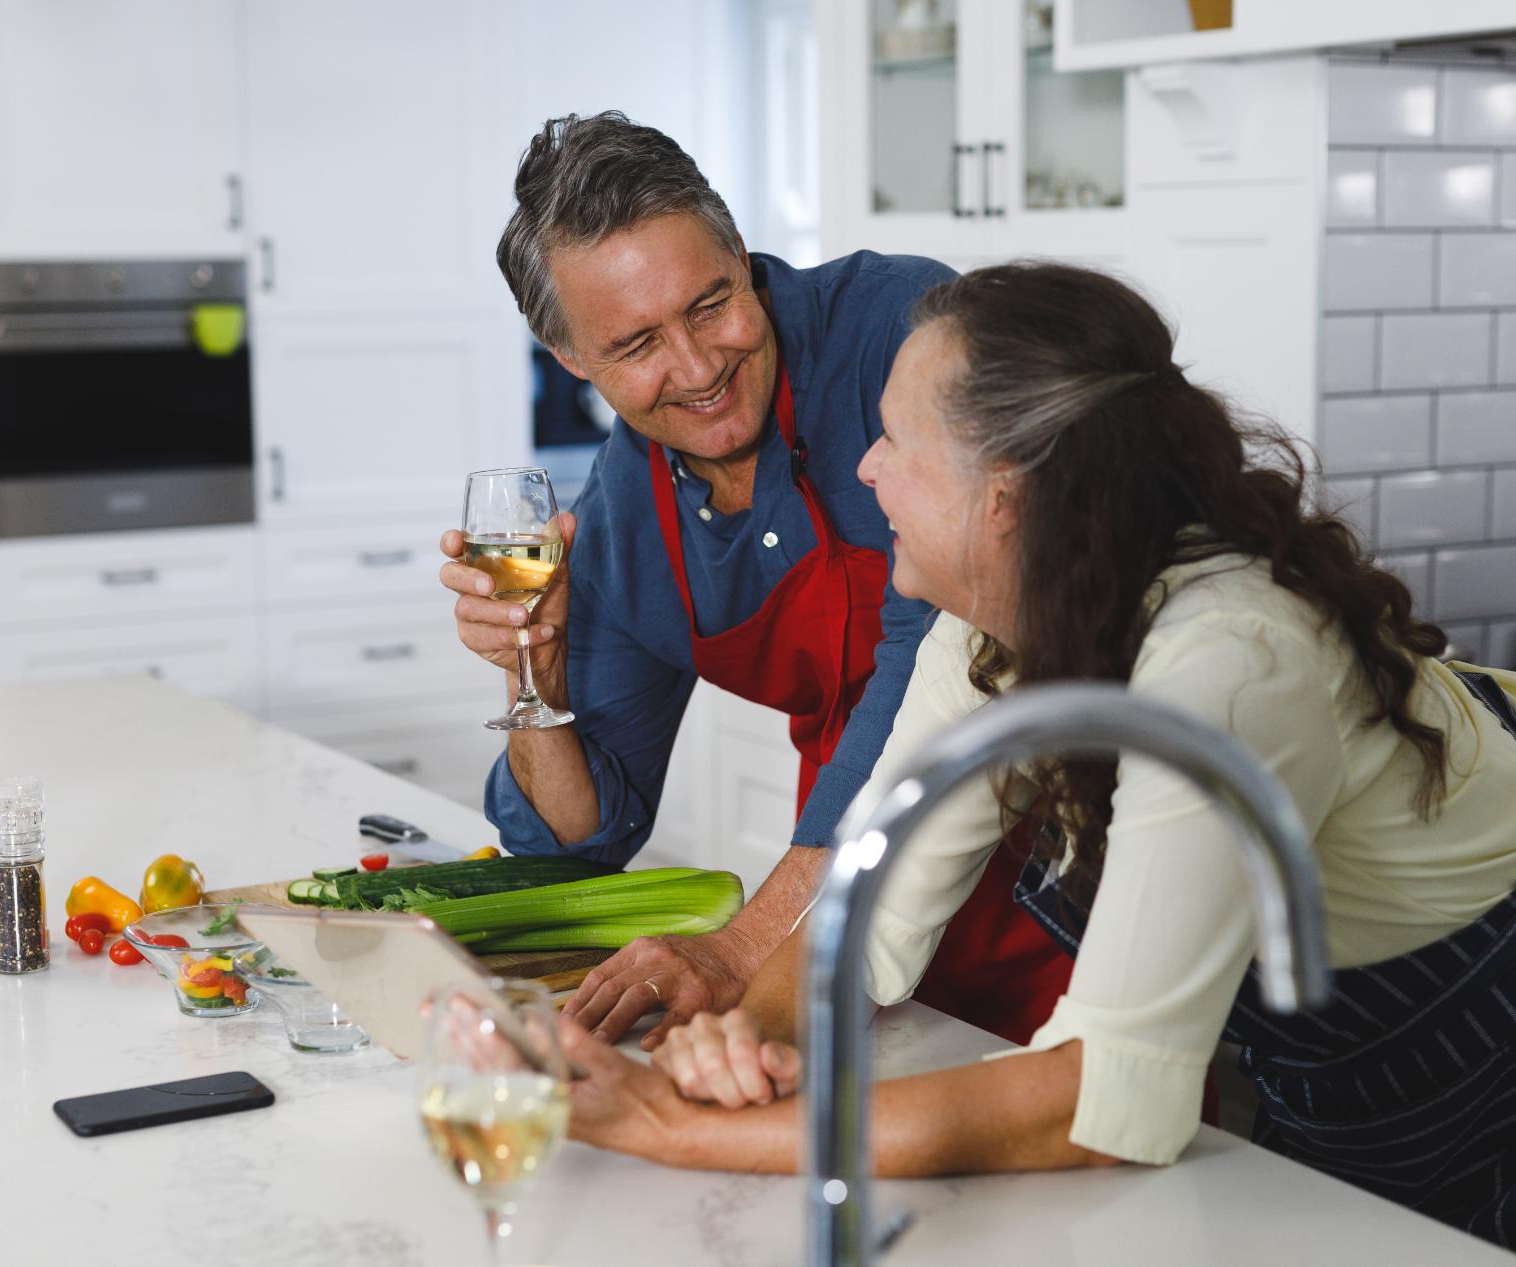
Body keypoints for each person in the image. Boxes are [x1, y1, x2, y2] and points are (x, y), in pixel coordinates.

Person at [558, 262, 1516, 1267]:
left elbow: (1103, 1104)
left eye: (896, 442)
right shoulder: (989, 618)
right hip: (1396, 1000)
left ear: (1002, 498)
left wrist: (674, 1130)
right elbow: (864, 921)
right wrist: (745, 1041)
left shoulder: (1230, 662)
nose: (863, 471)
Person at [440, 112, 1074, 1048]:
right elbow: (580, 840)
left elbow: (939, 658)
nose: (698, 369)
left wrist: (742, 948)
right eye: (636, 346)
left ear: (741, 251)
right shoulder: (621, 516)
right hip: (841, 938)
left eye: (709, 304)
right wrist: (533, 667)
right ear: (572, 359)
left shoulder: (902, 335)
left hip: (1057, 878)